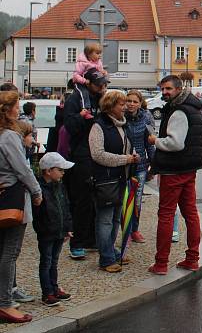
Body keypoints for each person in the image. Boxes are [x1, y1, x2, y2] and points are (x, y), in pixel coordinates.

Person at [147, 75, 202, 275]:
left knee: (166, 215)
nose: (165, 92)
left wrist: (155, 140)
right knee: (190, 213)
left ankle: (161, 263)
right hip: (189, 168)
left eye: (169, 88)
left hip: (174, 169)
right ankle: (192, 259)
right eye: (163, 89)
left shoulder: (179, 110)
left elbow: (175, 143)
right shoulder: (193, 106)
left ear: (179, 89)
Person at [0, 91, 43, 324]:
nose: (20, 109)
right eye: (17, 106)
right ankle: (5, 303)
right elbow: (22, 169)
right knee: (10, 252)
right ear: (8, 110)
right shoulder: (9, 136)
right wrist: (37, 191)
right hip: (12, 197)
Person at [89, 90, 139, 273]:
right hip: (105, 180)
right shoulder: (99, 125)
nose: (125, 107)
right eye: (121, 104)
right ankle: (106, 258)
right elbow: (97, 154)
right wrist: (125, 159)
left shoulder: (122, 125)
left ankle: (111, 251)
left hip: (121, 179)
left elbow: (125, 148)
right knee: (105, 221)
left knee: (116, 219)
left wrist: (132, 157)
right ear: (110, 106)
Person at [63, 67, 107, 260]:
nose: (103, 87)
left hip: (96, 152)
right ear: (88, 83)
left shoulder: (100, 98)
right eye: (99, 84)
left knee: (95, 200)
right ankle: (77, 242)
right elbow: (69, 127)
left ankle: (91, 238)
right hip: (81, 154)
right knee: (82, 201)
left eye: (104, 84)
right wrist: (81, 117)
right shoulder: (76, 99)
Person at [32, 153, 74, 306]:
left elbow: (66, 207)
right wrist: (43, 231)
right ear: (49, 171)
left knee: (54, 262)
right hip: (47, 233)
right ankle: (47, 292)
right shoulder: (38, 189)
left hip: (59, 231)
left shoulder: (60, 186)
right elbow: (38, 215)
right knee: (46, 262)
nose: (63, 172)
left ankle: (54, 288)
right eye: (60, 169)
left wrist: (67, 228)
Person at [124, 90, 154, 244]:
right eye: (129, 100)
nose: (131, 104)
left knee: (136, 200)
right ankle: (125, 230)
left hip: (140, 165)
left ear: (140, 103)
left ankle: (134, 230)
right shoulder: (121, 117)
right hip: (123, 164)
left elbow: (150, 143)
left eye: (135, 101)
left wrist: (154, 165)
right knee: (124, 199)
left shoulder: (146, 118)